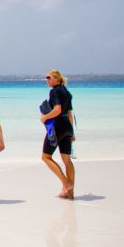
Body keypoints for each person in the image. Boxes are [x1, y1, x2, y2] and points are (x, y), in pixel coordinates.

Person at [40, 69, 76, 199]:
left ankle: (66, 183)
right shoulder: (67, 92)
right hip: (67, 127)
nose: (47, 80)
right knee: (67, 160)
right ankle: (70, 193)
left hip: (58, 127)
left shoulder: (54, 91)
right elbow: (70, 113)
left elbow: (57, 110)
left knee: (46, 157)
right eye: (46, 78)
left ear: (57, 78)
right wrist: (72, 132)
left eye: (49, 77)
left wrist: (44, 117)